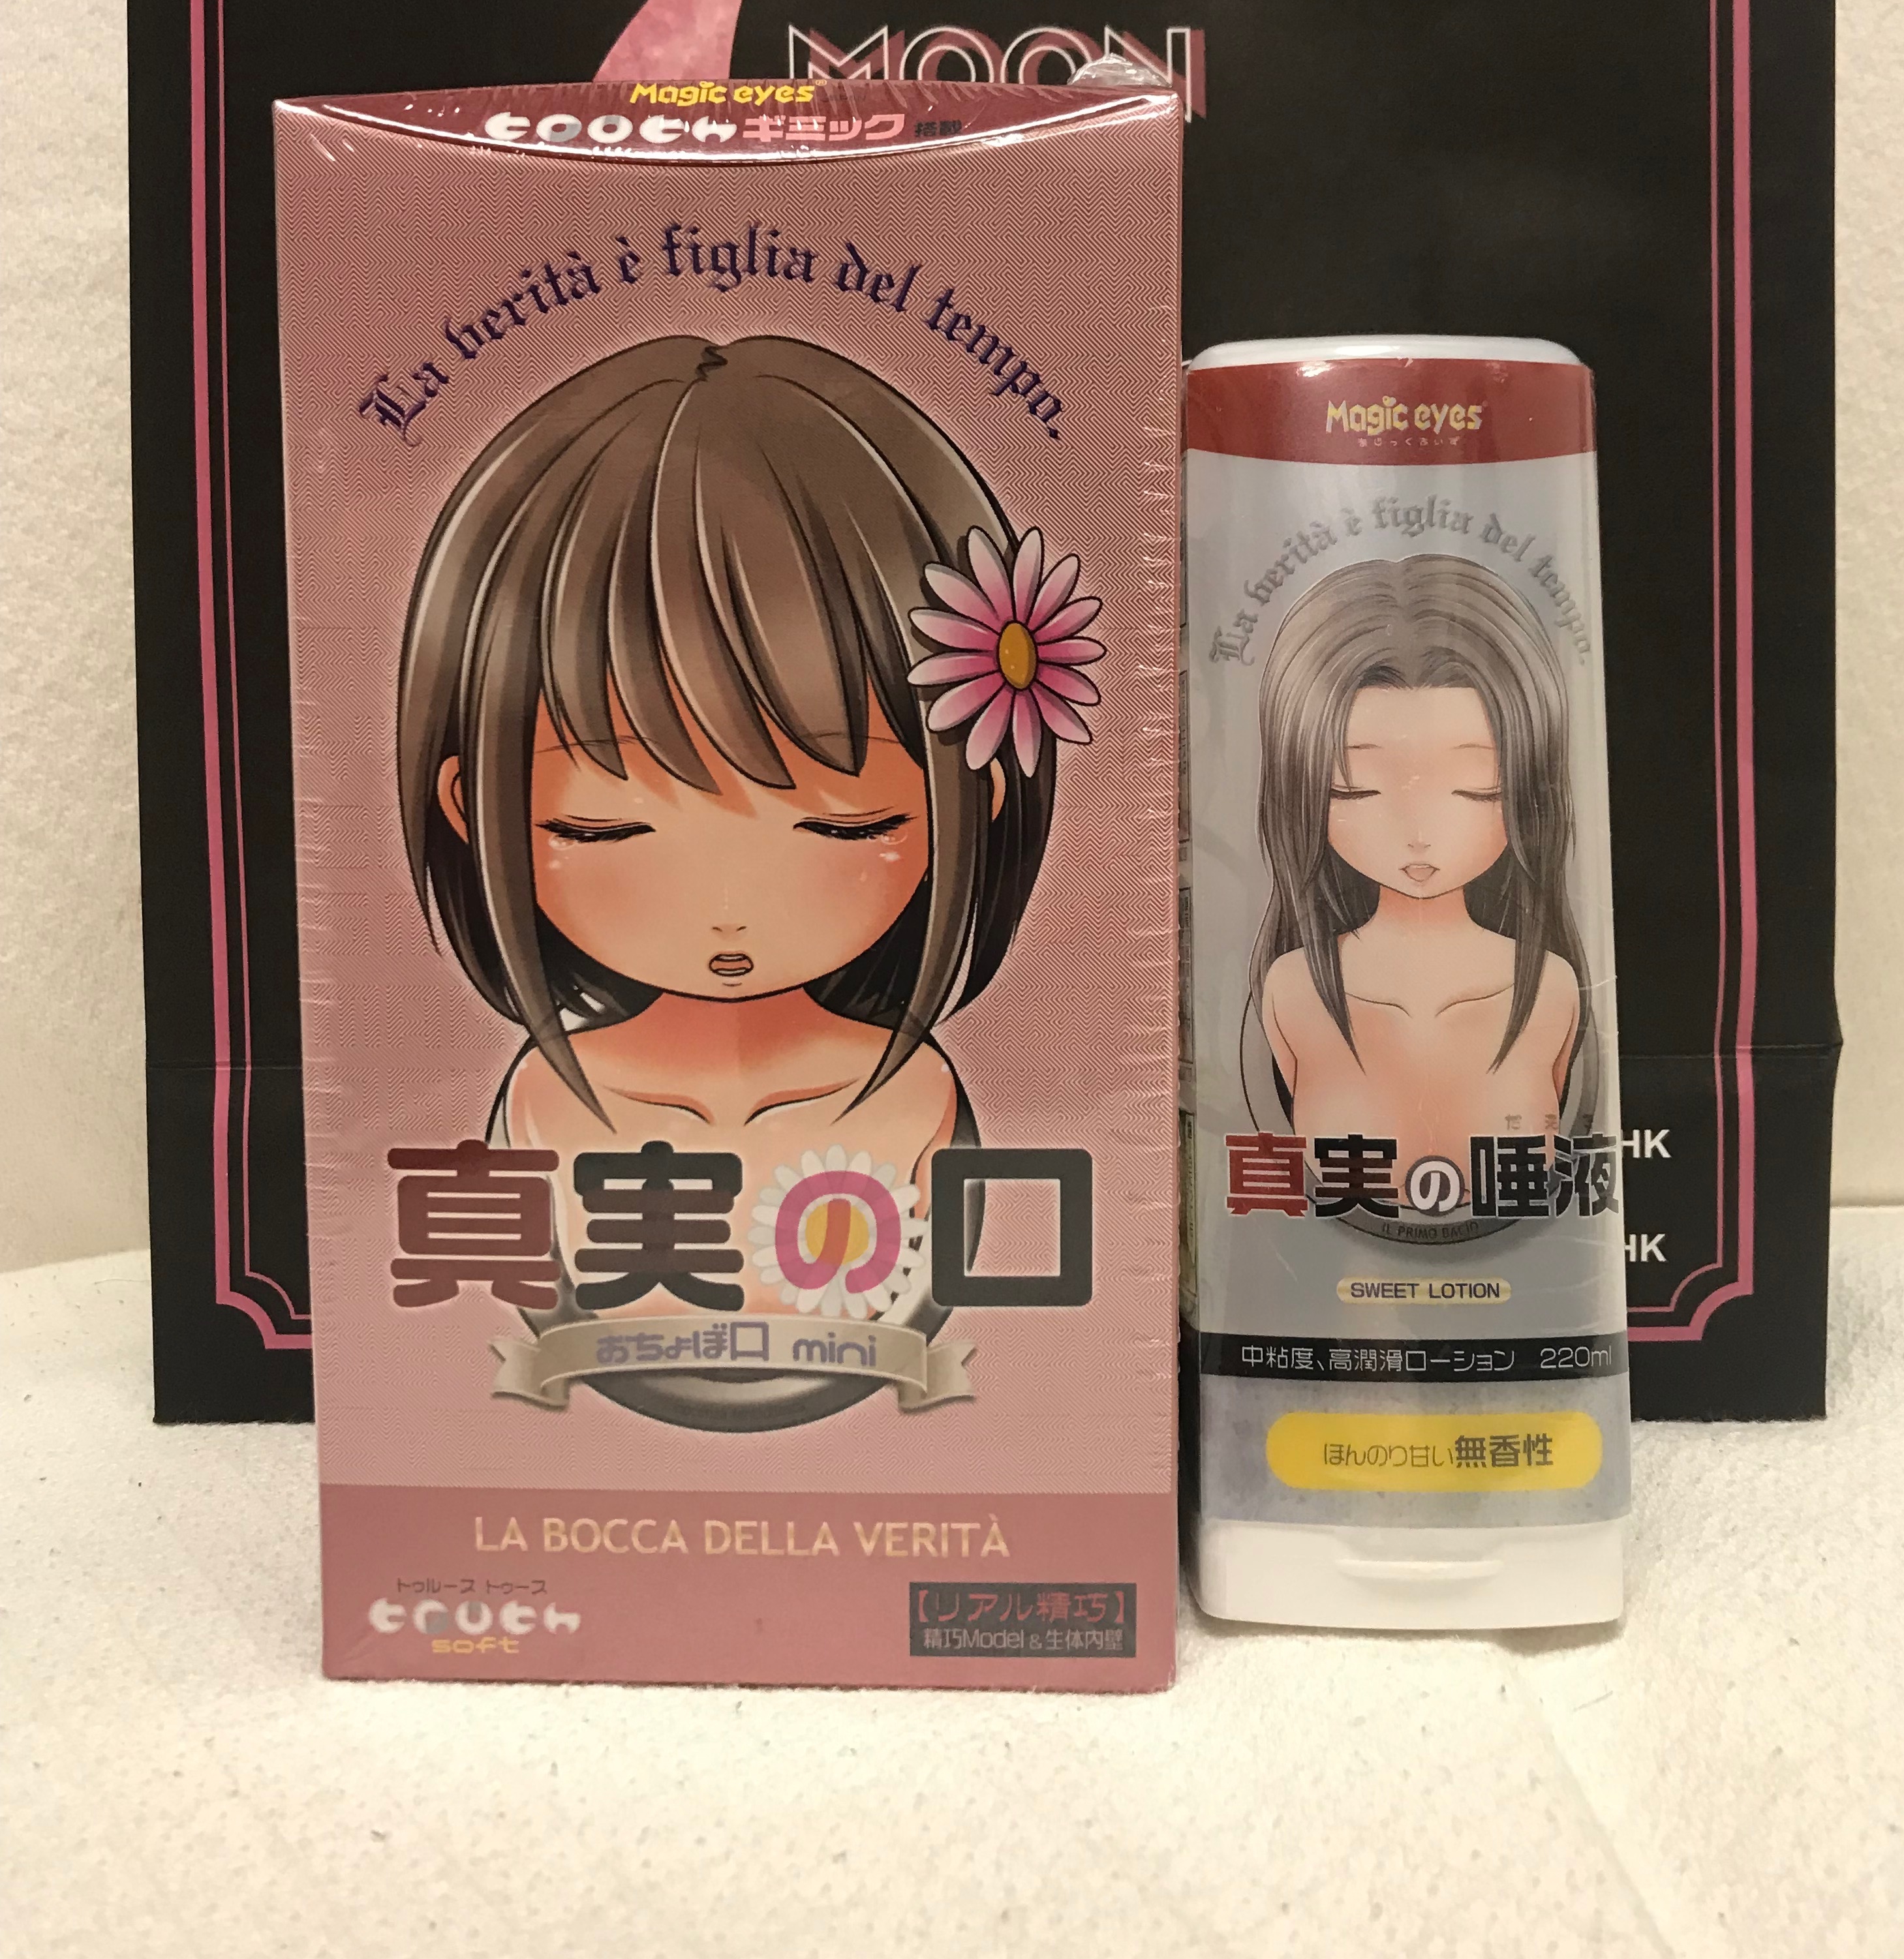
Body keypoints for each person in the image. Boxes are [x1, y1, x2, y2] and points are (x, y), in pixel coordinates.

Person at [398, 332, 1101, 1374]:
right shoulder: (545, 1099)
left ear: (978, 798)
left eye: (846, 827)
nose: (728, 910)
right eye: (603, 830)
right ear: (472, 807)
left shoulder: (917, 1097)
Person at [1251, 554, 1596, 1211]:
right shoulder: (1292, 989)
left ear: (1528, 788)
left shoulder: (1552, 988)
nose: (1418, 833)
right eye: (1357, 789)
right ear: (1303, 793)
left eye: (1475, 789)